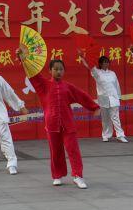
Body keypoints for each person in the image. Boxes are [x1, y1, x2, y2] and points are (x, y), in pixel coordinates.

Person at [17, 50, 100, 189]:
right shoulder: (43, 86)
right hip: (52, 124)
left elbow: (82, 96)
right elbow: (33, 75)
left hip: (68, 124)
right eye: (55, 69)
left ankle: (78, 176)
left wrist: (94, 107)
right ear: (50, 71)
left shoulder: (68, 87)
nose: (58, 72)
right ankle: (57, 175)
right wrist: (23, 59)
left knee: (73, 150)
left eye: (61, 69)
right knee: (55, 151)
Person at [80, 55, 128, 143]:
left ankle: (120, 135)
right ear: (100, 64)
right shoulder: (97, 72)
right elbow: (89, 66)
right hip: (103, 99)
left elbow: (117, 85)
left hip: (114, 98)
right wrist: (82, 57)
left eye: (107, 62)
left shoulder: (112, 73)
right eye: (104, 62)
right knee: (105, 119)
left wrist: (119, 96)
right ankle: (106, 135)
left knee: (115, 117)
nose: (106, 63)